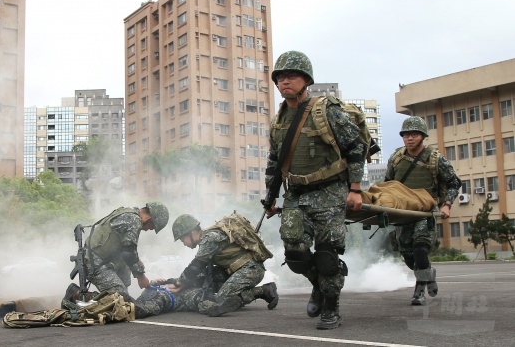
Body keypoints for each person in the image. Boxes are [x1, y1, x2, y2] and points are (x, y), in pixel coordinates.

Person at [263, 50, 367, 330]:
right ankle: (319, 285)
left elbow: (356, 147)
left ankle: (331, 308)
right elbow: (274, 162)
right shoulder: (278, 120)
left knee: (326, 256)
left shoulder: (326, 110)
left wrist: (355, 188)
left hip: (330, 192)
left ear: (306, 79)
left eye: (292, 76)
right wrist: (270, 198)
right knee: (295, 255)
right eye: (280, 77)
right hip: (295, 194)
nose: (285, 81)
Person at [384, 116, 461, 306]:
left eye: (414, 134)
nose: (409, 138)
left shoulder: (435, 159)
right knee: (409, 257)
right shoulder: (395, 158)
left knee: (420, 250)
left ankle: (419, 291)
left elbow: (454, 183)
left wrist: (447, 205)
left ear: (422, 136)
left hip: (426, 211)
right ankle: (429, 274)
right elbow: (388, 185)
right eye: (406, 135)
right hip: (403, 212)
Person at [163, 213, 279, 317]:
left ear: (192, 232)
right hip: (237, 270)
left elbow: (196, 266)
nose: (183, 243)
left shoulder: (210, 238)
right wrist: (172, 281)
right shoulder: (207, 239)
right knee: (204, 278)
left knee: (221, 300)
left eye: (183, 239)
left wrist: (179, 283)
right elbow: (200, 272)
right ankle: (239, 294)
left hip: (251, 270)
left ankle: (264, 291)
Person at [63, 202, 169, 310]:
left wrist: (143, 275)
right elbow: (128, 253)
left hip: (105, 260)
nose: (147, 230)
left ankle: (122, 294)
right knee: (120, 300)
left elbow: (128, 251)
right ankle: (76, 294)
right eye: (151, 227)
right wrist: (141, 276)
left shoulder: (128, 214)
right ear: (149, 219)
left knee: (125, 297)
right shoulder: (134, 220)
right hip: (95, 262)